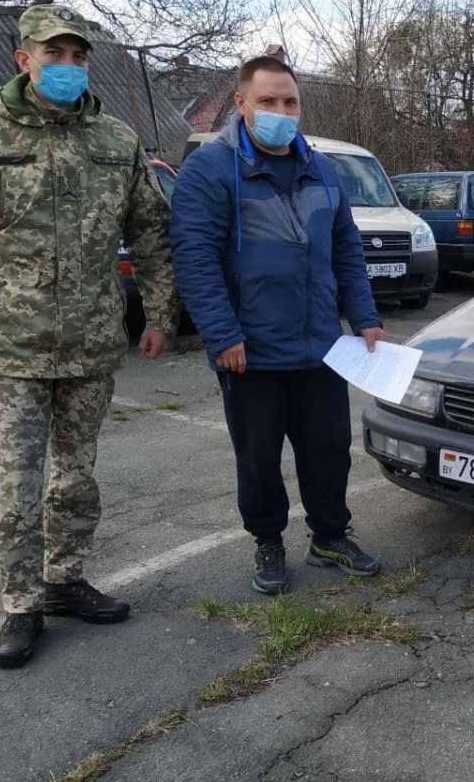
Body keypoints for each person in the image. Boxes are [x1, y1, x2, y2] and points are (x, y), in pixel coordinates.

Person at [0, 5, 177, 668]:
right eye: (53, 54)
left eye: (78, 56)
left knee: (76, 478)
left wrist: (161, 314)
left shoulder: (114, 141)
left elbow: (151, 231)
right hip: (14, 346)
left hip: (89, 342)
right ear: (22, 58)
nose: (68, 66)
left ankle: (65, 580)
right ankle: (21, 605)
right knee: (17, 486)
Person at [170, 56, 385, 596]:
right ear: (241, 104)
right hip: (252, 350)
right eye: (268, 101)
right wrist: (222, 334)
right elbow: (194, 257)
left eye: (289, 102)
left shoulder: (320, 166)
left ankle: (330, 537)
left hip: (321, 348)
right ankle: (268, 539)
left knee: (329, 449)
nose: (281, 112)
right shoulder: (212, 169)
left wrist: (364, 317)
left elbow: (346, 249)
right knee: (259, 458)